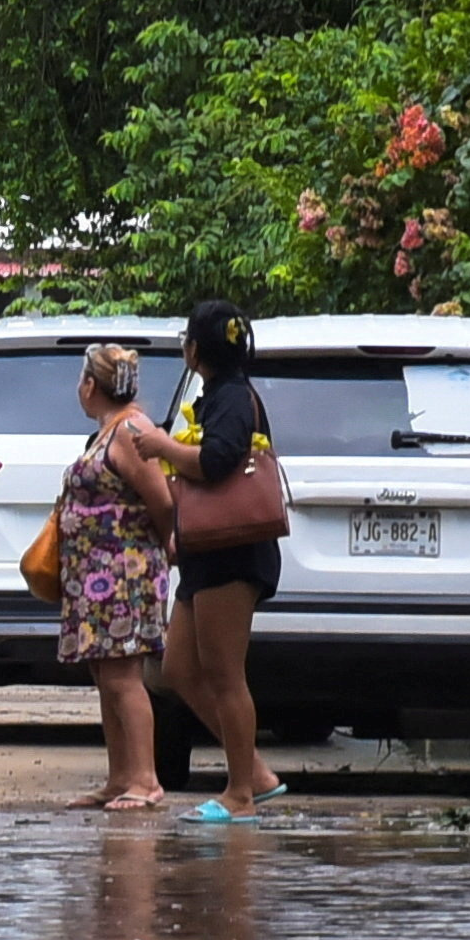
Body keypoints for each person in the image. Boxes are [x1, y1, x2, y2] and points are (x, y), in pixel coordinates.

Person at [50, 340, 207, 810]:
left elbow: (160, 500)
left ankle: (145, 778)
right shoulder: (110, 430)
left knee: (123, 676)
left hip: (124, 571)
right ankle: (119, 777)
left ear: (90, 385)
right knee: (107, 675)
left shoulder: (130, 431)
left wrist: (164, 544)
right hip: (97, 574)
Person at [164, 300, 286, 821]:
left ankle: (241, 793)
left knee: (224, 674)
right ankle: (253, 770)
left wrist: (158, 446)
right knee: (178, 668)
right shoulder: (218, 394)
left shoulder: (234, 397)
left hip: (233, 551)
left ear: (195, 350)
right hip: (204, 553)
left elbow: (218, 461)